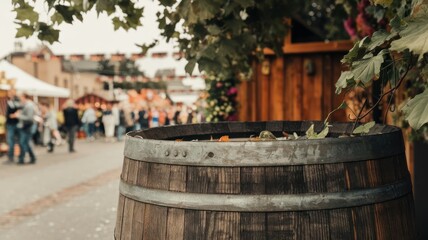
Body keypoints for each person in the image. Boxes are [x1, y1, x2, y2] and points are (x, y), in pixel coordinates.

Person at [14, 93, 36, 164]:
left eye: (21, 97)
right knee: (25, 142)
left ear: (24, 97)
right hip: (25, 126)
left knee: (23, 142)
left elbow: (29, 118)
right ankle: (32, 157)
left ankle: (22, 159)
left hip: (26, 126)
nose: (20, 99)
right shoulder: (26, 105)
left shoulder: (29, 105)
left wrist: (19, 116)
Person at [5, 89, 20, 163]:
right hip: (10, 124)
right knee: (11, 141)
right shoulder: (9, 101)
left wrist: (13, 115)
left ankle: (15, 156)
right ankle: (11, 157)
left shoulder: (16, 101)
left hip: (14, 124)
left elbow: (19, 111)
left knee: (13, 141)